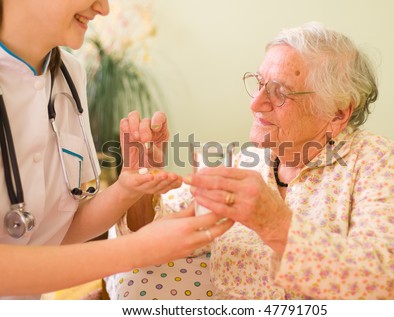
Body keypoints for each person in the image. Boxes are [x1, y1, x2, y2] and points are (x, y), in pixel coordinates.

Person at [0, 0, 233, 299]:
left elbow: (51, 237)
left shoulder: (70, 75)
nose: (104, 8)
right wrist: (138, 250)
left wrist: (126, 188)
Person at [183, 22, 394, 299]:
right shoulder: (244, 161)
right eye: (260, 83)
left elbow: (390, 283)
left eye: (280, 92)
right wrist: (139, 180)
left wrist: (275, 223)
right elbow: (159, 222)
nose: (255, 103)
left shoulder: (378, 161)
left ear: (336, 114)